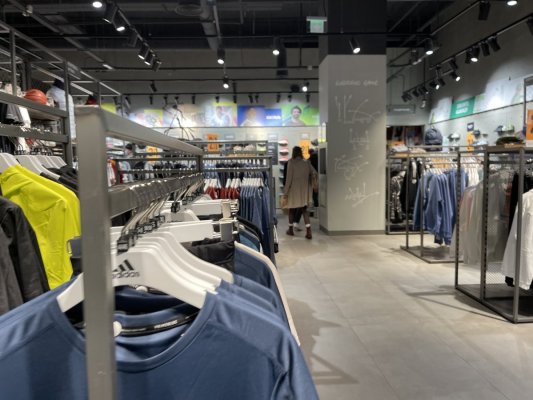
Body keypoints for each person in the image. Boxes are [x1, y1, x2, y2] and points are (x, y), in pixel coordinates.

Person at [284, 146, 317, 239]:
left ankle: (290, 230)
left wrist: (285, 192)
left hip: (293, 191)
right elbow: (314, 173)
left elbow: (289, 178)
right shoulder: (307, 162)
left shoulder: (291, 162)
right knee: (304, 210)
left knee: (291, 210)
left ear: (293, 152)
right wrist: (311, 183)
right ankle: (309, 231)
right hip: (304, 191)